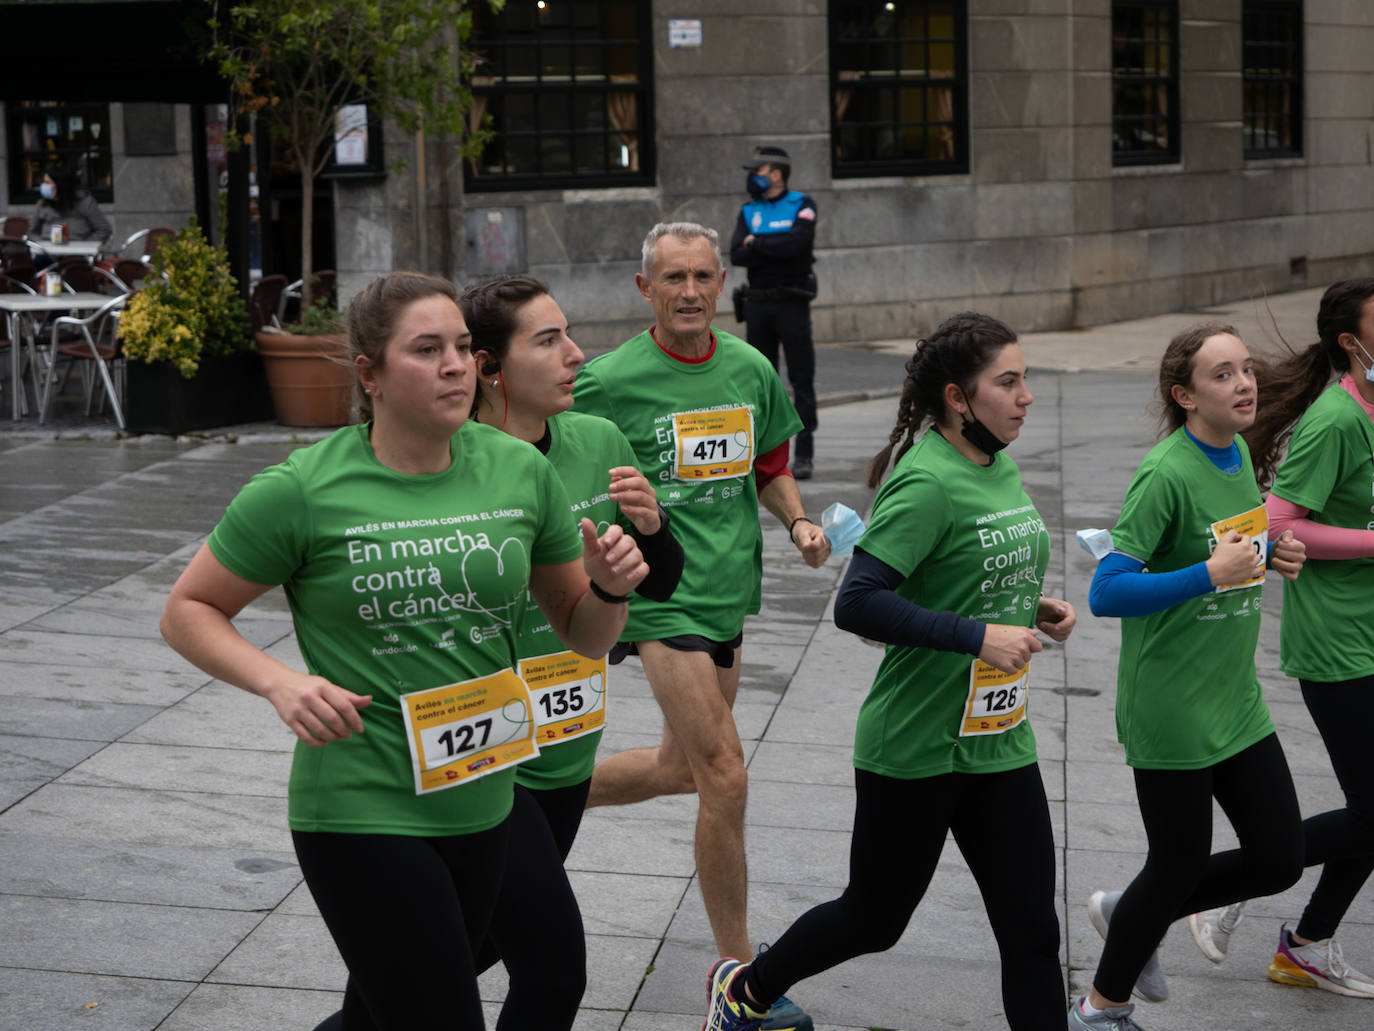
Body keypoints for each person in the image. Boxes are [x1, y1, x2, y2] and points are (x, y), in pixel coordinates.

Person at [159, 271, 647, 1031]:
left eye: (461, 346)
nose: (456, 364)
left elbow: (583, 635)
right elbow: (189, 608)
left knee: (386, 1014)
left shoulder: (520, 472)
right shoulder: (305, 489)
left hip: (485, 792)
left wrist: (611, 591)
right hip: (362, 802)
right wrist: (279, 682)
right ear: (371, 374)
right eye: (427, 349)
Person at [702, 312, 1078, 1031]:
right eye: (1008, 381)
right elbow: (859, 601)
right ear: (957, 397)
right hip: (915, 745)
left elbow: (958, 569)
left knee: (1033, 933)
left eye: (1026, 377)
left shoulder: (994, 460)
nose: (1027, 394)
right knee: (874, 918)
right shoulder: (927, 480)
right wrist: (977, 635)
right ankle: (747, 990)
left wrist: (1029, 604)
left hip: (998, 741)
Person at [573, 221, 829, 1031]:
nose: (690, 291)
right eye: (673, 278)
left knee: (677, 768)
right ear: (644, 288)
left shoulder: (752, 368)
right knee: (727, 773)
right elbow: (544, 444)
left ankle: (532, 790)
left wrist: (797, 525)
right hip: (657, 597)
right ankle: (739, 979)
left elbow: (771, 465)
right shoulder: (608, 380)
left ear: (723, 283)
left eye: (703, 277)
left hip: (727, 595)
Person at [458, 274, 685, 1029]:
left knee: (468, 951)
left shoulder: (597, 440)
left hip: (568, 744)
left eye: (570, 335)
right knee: (552, 967)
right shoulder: (454, 465)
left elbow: (659, 579)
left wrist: (650, 529)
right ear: (490, 367)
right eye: (548, 340)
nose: (576, 355)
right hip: (487, 758)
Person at [1068, 323, 1308, 1031]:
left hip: (1235, 699)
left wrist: (1276, 548)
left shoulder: (1236, 450)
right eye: (1223, 374)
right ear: (1184, 394)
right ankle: (1097, 1009)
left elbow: (1231, 541)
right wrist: (1209, 573)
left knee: (1280, 855)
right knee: (1177, 863)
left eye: (1245, 370)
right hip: (1171, 705)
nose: (1244, 384)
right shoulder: (1165, 472)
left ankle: (1130, 910)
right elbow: (1107, 591)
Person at [1186, 279, 1374, 998]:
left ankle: (1307, 942)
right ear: (1350, 345)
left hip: (1371, 630)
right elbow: (1280, 520)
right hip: (1338, 639)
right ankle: (1226, 882)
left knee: (1372, 809)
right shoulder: (1336, 420)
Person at [729, 145, 818, 479]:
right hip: (757, 305)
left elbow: (798, 246)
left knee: (801, 377)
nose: (754, 177)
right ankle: (762, 453)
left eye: (759, 171)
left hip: (791, 303)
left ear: (777, 174)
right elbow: (736, 253)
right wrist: (762, 247)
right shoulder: (748, 210)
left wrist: (757, 244)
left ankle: (805, 451)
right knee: (760, 379)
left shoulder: (802, 204)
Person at [28, 168, 112, 252]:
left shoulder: (84, 202)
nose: (43, 186)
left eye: (47, 183)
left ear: (60, 185)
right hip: (47, 253)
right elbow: (32, 232)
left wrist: (86, 246)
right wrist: (42, 245)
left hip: (78, 253)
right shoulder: (42, 204)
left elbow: (103, 229)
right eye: (43, 182)